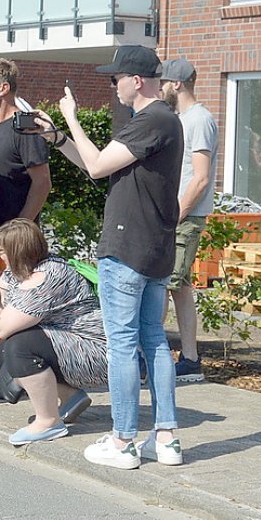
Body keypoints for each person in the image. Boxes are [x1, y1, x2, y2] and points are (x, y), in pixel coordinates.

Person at [40, 44, 184, 470]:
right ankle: (166, 438)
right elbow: (96, 163)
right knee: (153, 341)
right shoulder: (161, 122)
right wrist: (59, 138)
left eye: (115, 78)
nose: (112, 86)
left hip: (128, 248)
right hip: (154, 248)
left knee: (123, 344)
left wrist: (71, 118)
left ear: (136, 80)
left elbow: (100, 166)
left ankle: (123, 441)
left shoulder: (153, 119)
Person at [0, 219, 109, 445]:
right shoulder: (20, 270)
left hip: (93, 352)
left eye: (1, 251)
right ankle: (70, 397)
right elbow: (2, 300)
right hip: (67, 341)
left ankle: (49, 422)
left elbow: (1, 326)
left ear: (16, 251)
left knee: (21, 347)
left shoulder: (48, 277)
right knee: (5, 351)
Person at [158, 57, 219, 383]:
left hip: (184, 216)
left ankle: (152, 357)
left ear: (177, 84)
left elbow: (200, 178)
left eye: (163, 82)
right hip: (176, 215)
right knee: (179, 287)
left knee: (165, 286)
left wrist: (174, 215)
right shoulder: (182, 118)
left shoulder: (199, 120)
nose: (161, 88)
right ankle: (190, 358)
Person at [0, 57, 52, 228]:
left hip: (13, 243)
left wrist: (19, 228)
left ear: (4, 88)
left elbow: (42, 182)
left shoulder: (26, 129)